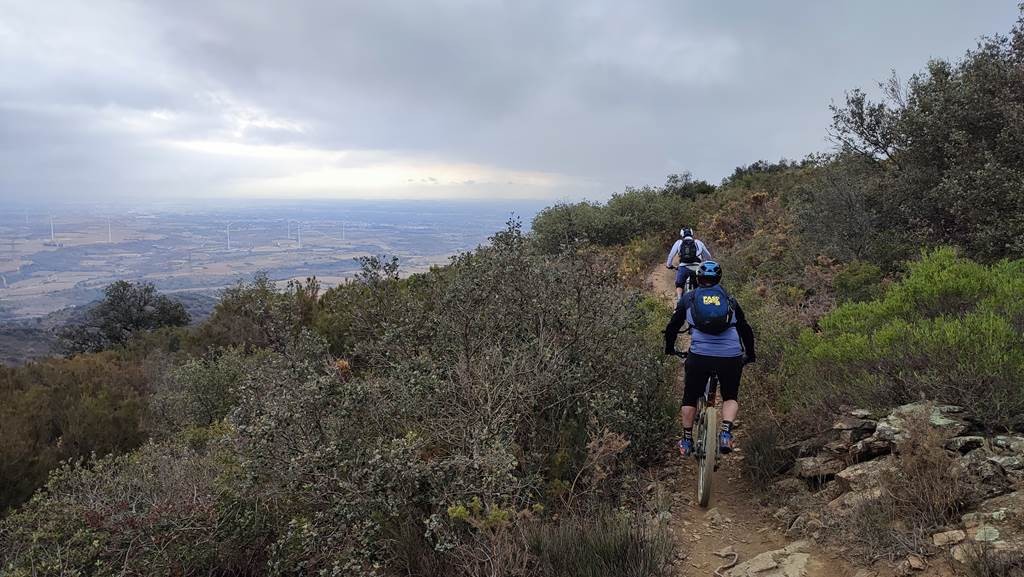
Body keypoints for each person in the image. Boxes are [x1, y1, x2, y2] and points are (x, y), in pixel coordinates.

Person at [663, 260, 755, 457]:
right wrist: (750, 354)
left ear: (698, 279)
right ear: (719, 279)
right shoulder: (730, 300)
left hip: (700, 356)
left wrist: (670, 348)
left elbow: (672, 328)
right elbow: (746, 330)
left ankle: (687, 440)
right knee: (730, 396)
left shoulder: (688, 298)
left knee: (690, 396)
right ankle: (725, 433)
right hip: (730, 356)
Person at [665, 228, 712, 298]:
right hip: (697, 268)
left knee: (679, 284)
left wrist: (669, 265)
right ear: (692, 234)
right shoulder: (698, 242)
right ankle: (700, 301)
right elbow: (708, 256)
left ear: (682, 235)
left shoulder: (679, 242)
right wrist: (704, 263)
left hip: (683, 267)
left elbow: (671, 255)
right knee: (701, 286)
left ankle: (679, 299)